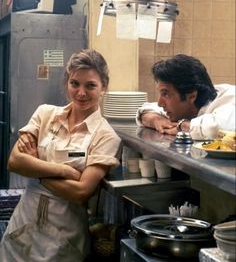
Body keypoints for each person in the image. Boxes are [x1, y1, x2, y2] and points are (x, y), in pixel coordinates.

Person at [0, 49, 121, 262]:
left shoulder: (106, 136)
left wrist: (35, 167)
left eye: (90, 85)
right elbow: (14, 162)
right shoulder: (45, 114)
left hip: (64, 238)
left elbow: (81, 192)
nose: (81, 92)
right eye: (75, 83)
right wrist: (63, 170)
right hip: (23, 227)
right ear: (67, 82)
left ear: (104, 86)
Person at [136, 54, 235, 140]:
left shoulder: (230, 99)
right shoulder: (183, 107)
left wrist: (182, 126)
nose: (160, 103)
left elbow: (216, 129)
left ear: (192, 95)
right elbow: (146, 110)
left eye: (166, 94)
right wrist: (155, 119)